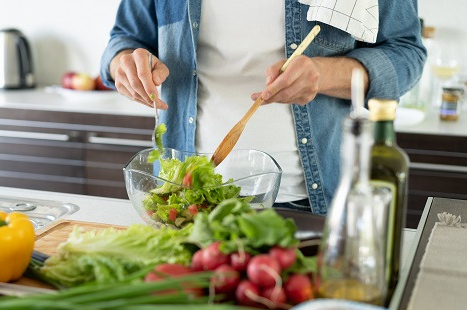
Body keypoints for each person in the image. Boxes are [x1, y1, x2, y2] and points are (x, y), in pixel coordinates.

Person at [100, 0, 426, 215]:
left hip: (314, 203)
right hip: (185, 201)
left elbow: (407, 53)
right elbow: (124, 38)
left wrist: (325, 74)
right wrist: (124, 64)